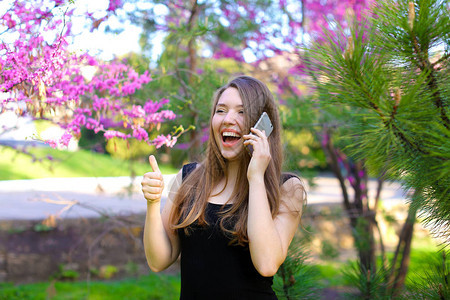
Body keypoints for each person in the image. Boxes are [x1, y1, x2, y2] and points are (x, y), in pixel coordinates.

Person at [141, 75, 305, 299]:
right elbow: (158, 261)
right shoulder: (188, 178)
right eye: (221, 110)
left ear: (263, 125)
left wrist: (256, 177)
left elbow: (267, 264)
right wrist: (152, 204)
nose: (228, 119)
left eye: (242, 111)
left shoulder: (287, 188)